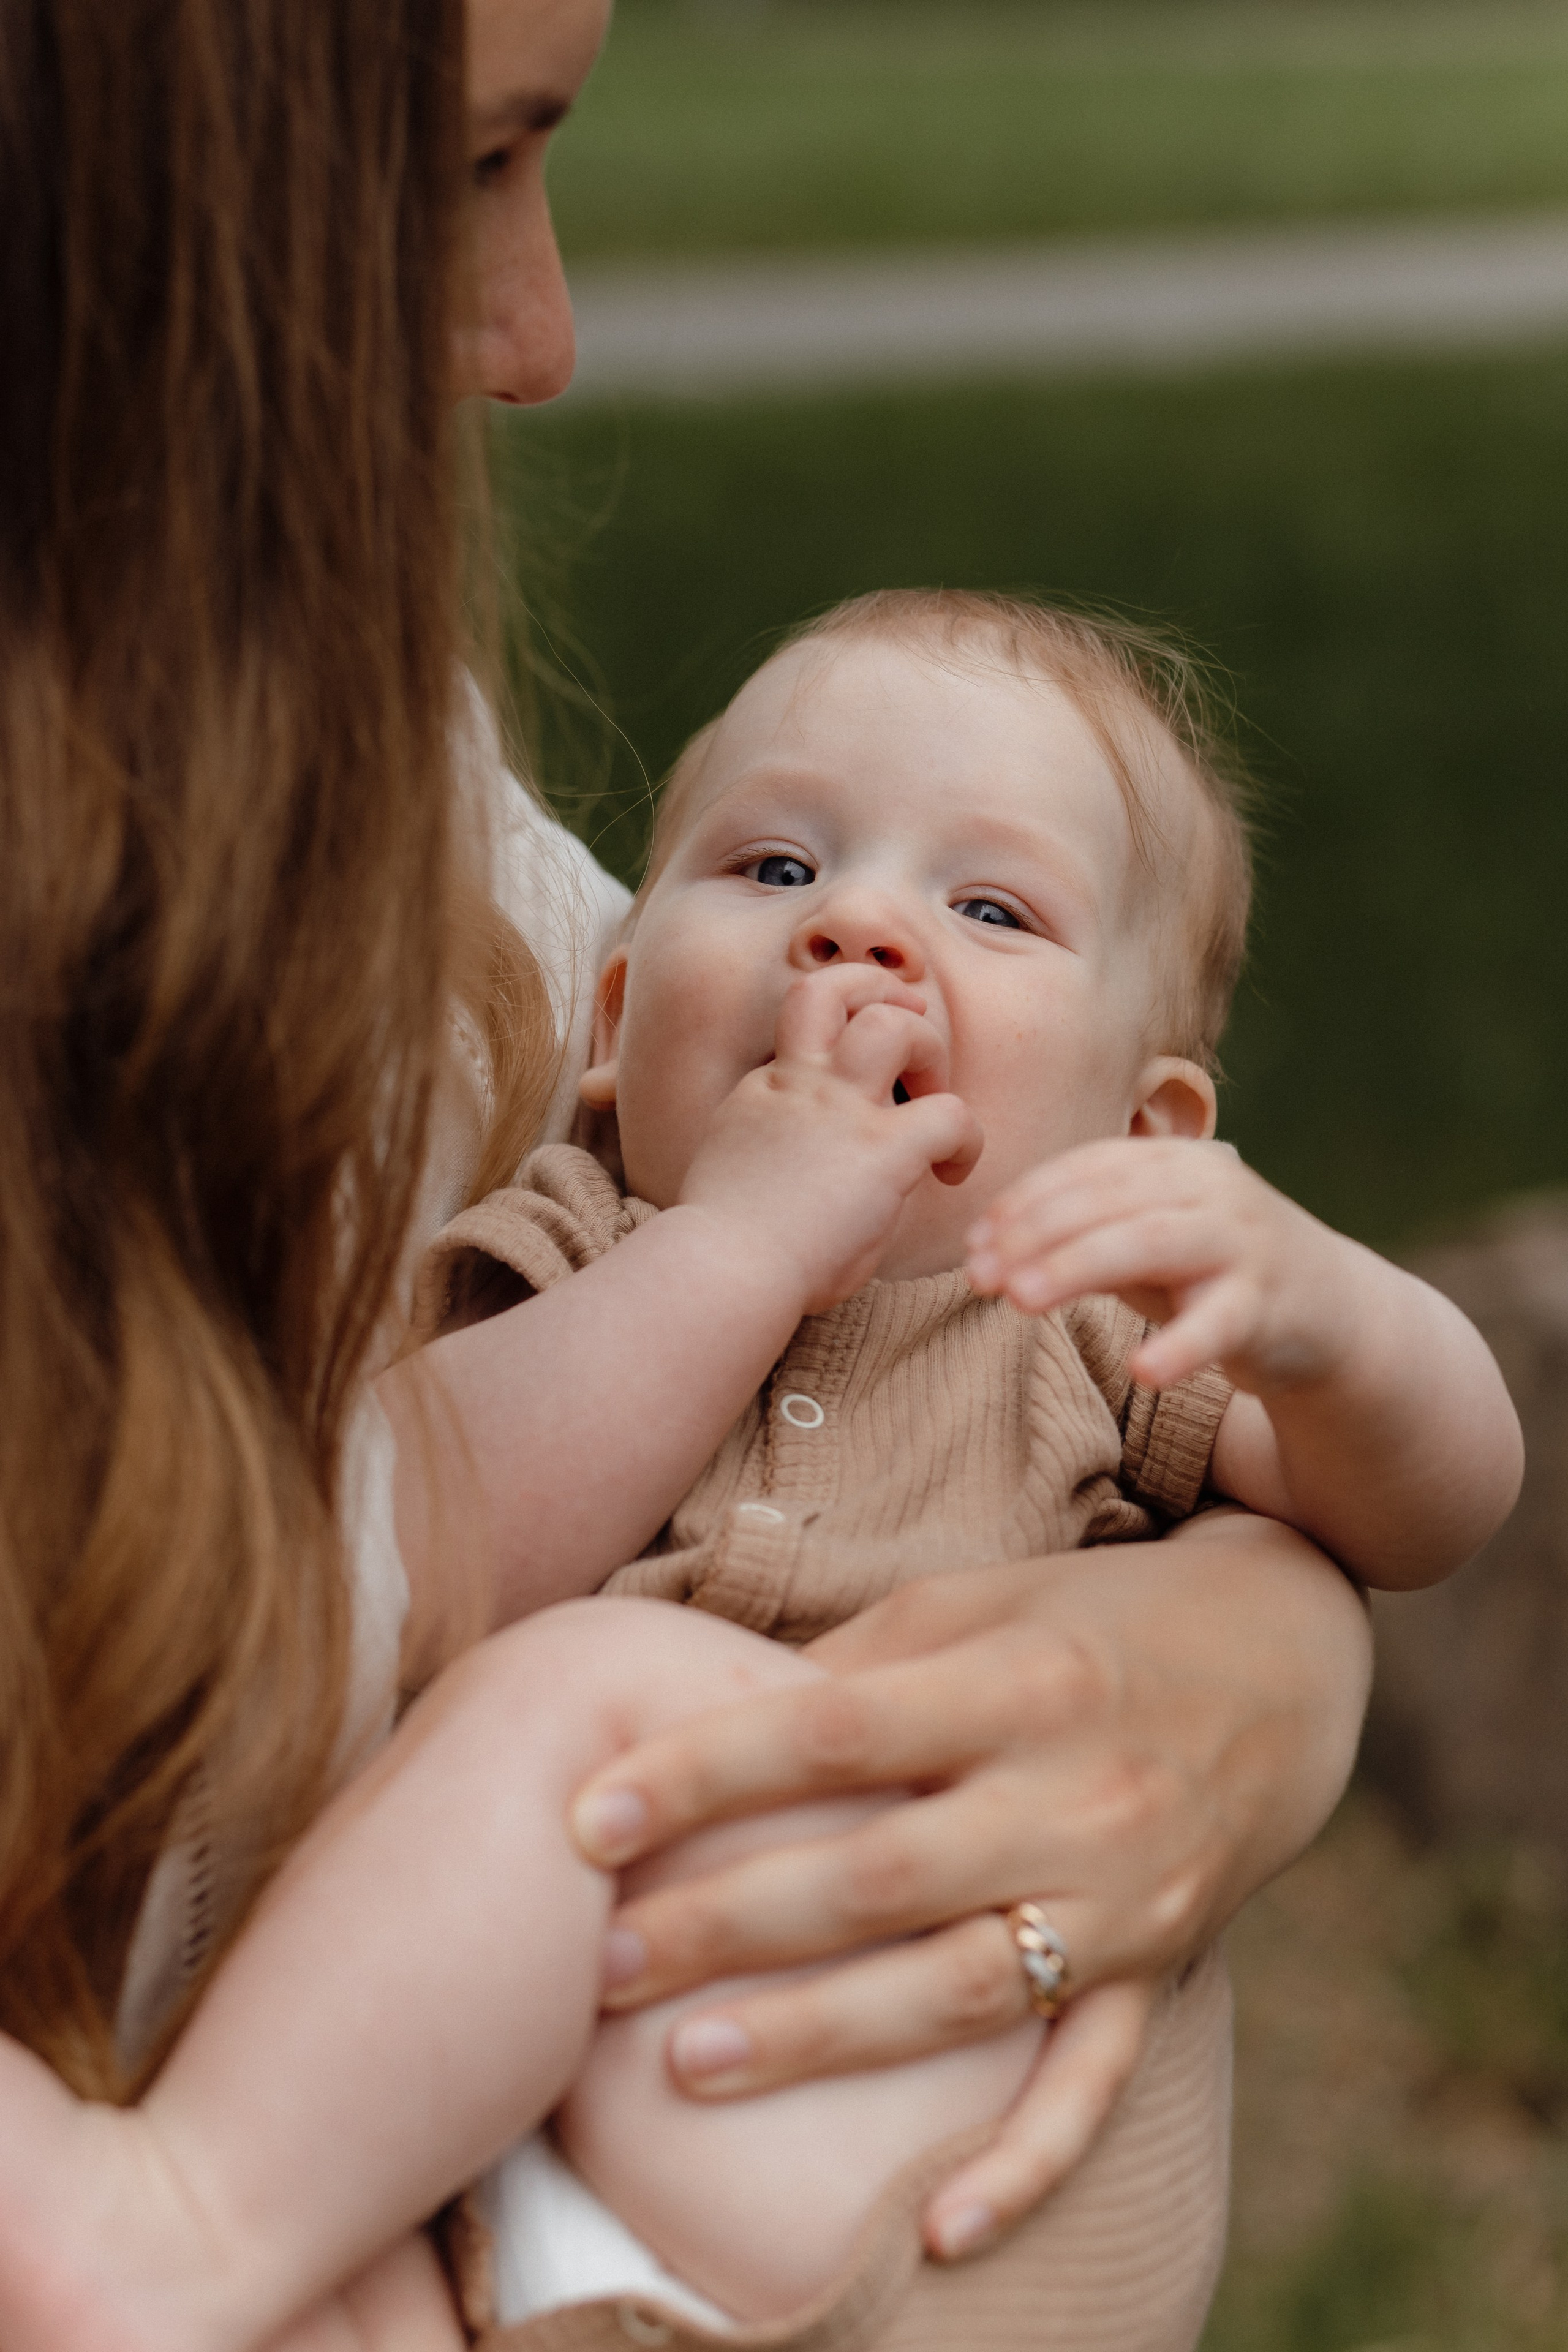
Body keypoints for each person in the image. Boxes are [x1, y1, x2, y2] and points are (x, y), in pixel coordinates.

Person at [0, 0, 1393, 2343]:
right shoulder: (605, 1205)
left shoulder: (312, 788)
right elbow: (417, 1543)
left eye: (992, 909)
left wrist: (1257, 1656)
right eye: (461, 170)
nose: (537, 335)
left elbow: (1418, 1467)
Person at [0, 595, 1521, 2352]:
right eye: (777, 867)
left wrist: (1327, 1314)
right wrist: (733, 1248)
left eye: (989, 908)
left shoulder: (1089, 1325)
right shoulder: (572, 1245)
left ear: (1144, 1136)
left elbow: (1437, 1509)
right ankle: (208, 2262)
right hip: (496, 2187)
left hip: (929, 2168)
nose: (858, 928)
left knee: (597, 1692)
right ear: (617, 1018)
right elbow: (414, 1562)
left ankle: (172, 2219)